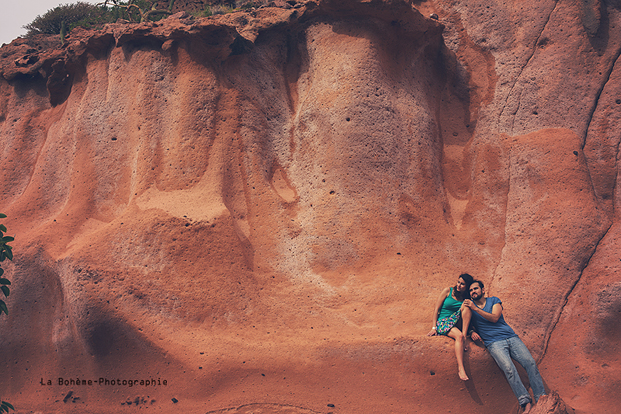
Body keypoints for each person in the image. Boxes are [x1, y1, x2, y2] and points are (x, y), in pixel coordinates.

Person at [463, 280, 546, 414]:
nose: (473, 292)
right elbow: (464, 322)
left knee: (530, 363)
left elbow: (495, 317)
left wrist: (475, 308)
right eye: (471, 290)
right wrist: (471, 332)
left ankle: (541, 397)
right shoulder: (470, 310)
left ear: (483, 290)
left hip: (511, 337)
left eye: (475, 289)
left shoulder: (494, 300)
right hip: (493, 343)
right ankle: (525, 402)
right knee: (509, 369)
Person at [427, 273, 474, 381]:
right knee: (459, 337)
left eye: (462, 284)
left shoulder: (466, 298)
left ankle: (465, 336)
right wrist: (434, 327)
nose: (459, 285)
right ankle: (461, 368)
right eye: (458, 282)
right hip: (444, 322)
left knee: (467, 306)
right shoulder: (448, 291)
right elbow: (436, 310)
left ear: (467, 286)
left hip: (456, 321)